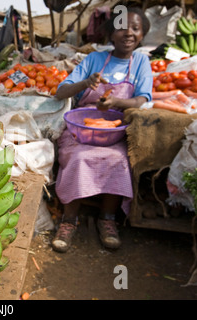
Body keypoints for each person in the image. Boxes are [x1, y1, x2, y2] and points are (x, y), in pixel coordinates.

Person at [52, 7, 153, 253]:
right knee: (78, 157)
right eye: (121, 27)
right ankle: (69, 220)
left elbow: (143, 99)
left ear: (142, 35)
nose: (128, 33)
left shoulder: (140, 62)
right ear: (110, 33)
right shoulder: (94, 59)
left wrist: (116, 103)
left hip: (114, 130)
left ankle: (107, 220)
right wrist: (86, 82)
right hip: (81, 128)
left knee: (119, 160)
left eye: (135, 29)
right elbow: (60, 92)